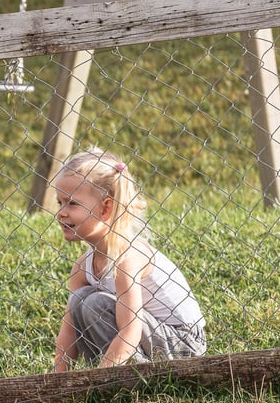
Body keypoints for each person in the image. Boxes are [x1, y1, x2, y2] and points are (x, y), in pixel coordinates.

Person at [52, 147, 206, 371]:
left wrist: (98, 380)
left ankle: (125, 378)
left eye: (72, 203)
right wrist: (57, 380)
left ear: (106, 208)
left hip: (183, 342)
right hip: (149, 337)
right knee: (80, 300)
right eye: (59, 203)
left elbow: (130, 330)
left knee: (95, 304)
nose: (61, 213)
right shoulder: (81, 268)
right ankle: (115, 374)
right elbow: (69, 332)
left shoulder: (127, 258)